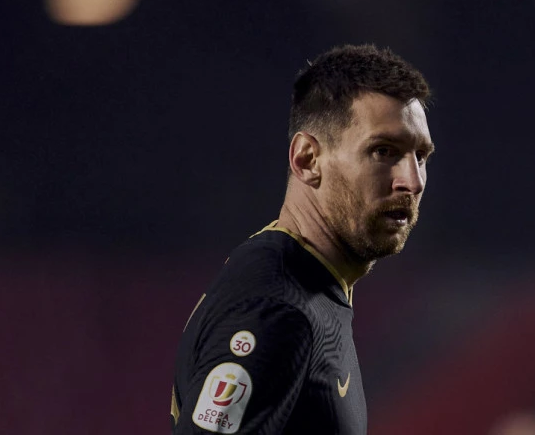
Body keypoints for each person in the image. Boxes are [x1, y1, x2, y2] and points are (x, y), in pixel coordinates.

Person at [170, 44, 435, 434]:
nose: (411, 181)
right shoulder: (277, 306)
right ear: (308, 160)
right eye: (383, 151)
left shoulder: (313, 286)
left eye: (421, 156)